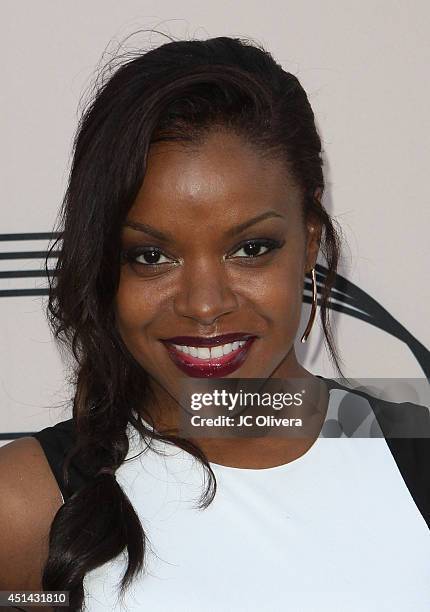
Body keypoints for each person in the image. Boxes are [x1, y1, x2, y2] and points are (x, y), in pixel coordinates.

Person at [0, 35, 428, 612]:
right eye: (152, 256)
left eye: (251, 248)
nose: (205, 305)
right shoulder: (23, 505)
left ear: (308, 244)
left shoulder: (414, 452)